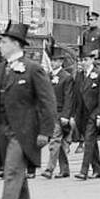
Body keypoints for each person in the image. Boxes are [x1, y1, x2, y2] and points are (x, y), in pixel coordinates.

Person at [0, 21, 58, 199]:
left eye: (3, 42)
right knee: (17, 176)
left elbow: (47, 102)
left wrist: (45, 131)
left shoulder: (33, 69)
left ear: (16, 44)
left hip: (24, 133)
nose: (0, 46)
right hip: (2, 132)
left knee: (11, 174)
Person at [70, 45, 100, 180]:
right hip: (81, 114)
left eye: (85, 60)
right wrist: (73, 115)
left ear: (92, 60)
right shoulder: (79, 75)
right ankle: (98, 170)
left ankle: (84, 171)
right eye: (81, 60)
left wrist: (99, 115)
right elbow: (75, 96)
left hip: (93, 113)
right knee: (91, 142)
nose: (83, 63)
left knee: (88, 141)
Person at [41, 46, 76, 179]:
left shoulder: (66, 77)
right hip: (50, 113)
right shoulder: (48, 76)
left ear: (61, 62)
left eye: (56, 61)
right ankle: (65, 170)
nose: (53, 63)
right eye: (52, 60)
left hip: (60, 114)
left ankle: (49, 169)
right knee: (60, 143)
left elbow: (69, 98)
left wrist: (66, 116)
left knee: (54, 141)